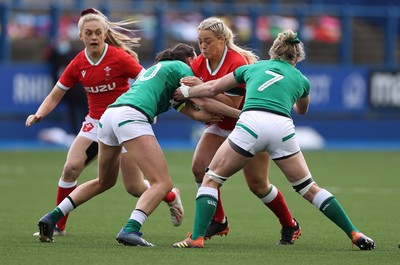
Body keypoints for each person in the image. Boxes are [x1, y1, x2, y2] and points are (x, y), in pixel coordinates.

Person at [172, 30, 375, 250]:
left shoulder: (252, 68)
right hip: (282, 127)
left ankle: (197, 238)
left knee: (211, 179)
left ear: (272, 53)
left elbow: (212, 87)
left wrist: (187, 93)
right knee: (309, 188)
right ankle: (355, 233)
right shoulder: (301, 79)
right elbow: (302, 109)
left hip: (251, 123)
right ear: (296, 58)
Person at [35, 43, 233, 246]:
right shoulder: (183, 69)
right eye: (197, 60)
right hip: (131, 117)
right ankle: (131, 229)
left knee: (104, 181)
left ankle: (51, 218)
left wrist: (208, 117)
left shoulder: (164, 74)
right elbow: (206, 100)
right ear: (190, 59)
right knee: (162, 183)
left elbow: (196, 112)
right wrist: (240, 114)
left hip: (109, 117)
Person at [26, 8, 184, 237]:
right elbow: (56, 94)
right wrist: (39, 113)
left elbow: (145, 79)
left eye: (98, 32)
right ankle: (59, 225)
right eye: (88, 33)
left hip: (125, 122)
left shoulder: (119, 57)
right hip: (96, 123)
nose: (93, 37)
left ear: (104, 33)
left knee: (134, 187)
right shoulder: (78, 63)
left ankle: (170, 194)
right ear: (80, 36)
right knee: (71, 168)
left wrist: (148, 105)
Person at [180, 17, 301, 244]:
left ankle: (289, 224)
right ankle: (218, 220)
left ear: (223, 40)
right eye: (200, 42)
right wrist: (198, 107)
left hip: (248, 127)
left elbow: (231, 105)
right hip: (220, 126)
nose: (203, 46)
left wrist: (199, 91)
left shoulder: (238, 62)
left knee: (258, 185)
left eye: (208, 41)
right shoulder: (198, 64)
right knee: (199, 168)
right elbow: (189, 99)